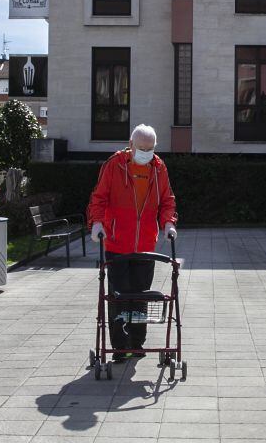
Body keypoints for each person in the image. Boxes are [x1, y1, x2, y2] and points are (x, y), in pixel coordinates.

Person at [87, 124, 178, 362]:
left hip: (145, 245)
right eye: (141, 148)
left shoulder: (158, 168)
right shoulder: (114, 165)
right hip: (117, 243)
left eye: (150, 149)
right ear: (130, 145)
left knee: (140, 296)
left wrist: (168, 223)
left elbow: (167, 199)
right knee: (118, 296)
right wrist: (97, 223)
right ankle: (119, 347)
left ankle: (136, 344)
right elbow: (99, 197)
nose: (146, 153)